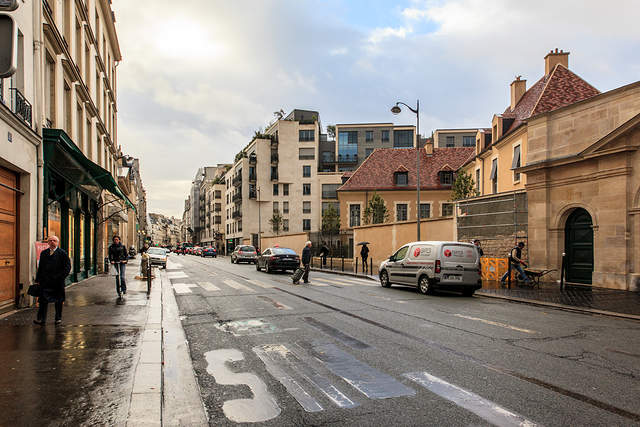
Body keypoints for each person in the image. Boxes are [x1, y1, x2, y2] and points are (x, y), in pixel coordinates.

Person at [34, 235, 71, 325]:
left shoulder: (62, 253)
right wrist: (38, 279)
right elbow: (41, 267)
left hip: (57, 282)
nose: (52, 242)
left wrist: (61, 277)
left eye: (54, 240)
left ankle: (58, 318)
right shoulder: (44, 253)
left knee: (58, 301)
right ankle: (41, 319)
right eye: (50, 240)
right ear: (48, 242)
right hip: (45, 282)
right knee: (43, 301)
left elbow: (67, 267)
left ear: (57, 242)